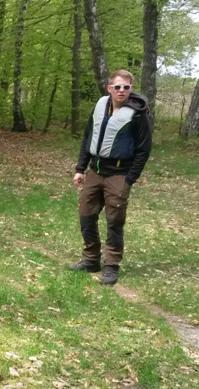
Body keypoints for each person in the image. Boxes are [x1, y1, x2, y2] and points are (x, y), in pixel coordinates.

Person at [70, 69, 152, 285]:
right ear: (109, 88)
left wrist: (129, 179)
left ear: (131, 89)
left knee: (114, 221)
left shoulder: (138, 113)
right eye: (117, 87)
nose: (121, 91)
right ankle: (91, 260)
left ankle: (111, 266)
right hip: (95, 172)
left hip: (119, 174)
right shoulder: (101, 106)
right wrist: (80, 168)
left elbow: (144, 149)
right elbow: (88, 137)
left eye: (126, 87)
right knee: (86, 216)